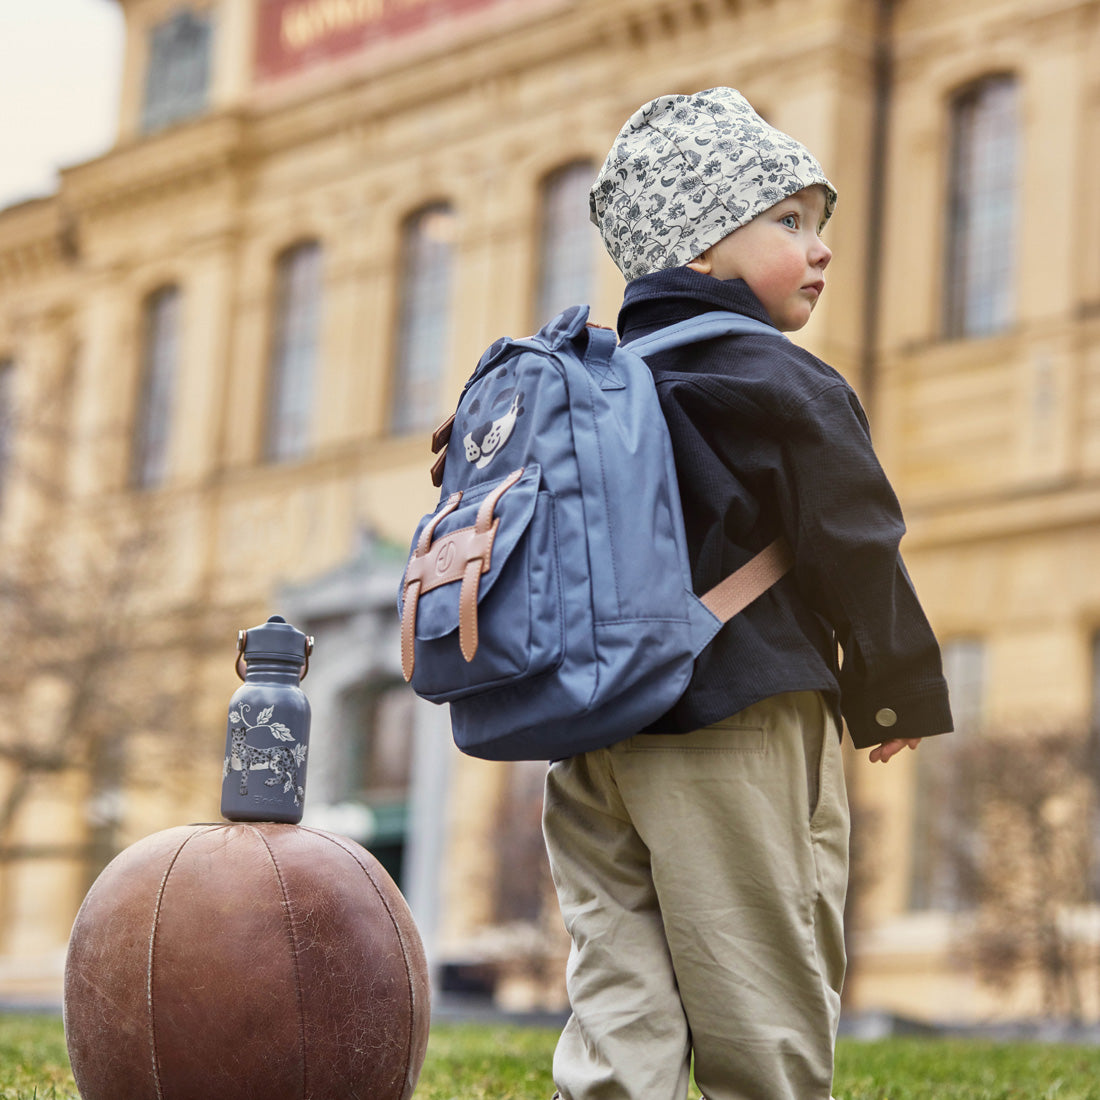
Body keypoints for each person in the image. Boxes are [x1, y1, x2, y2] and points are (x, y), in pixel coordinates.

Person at [541, 88, 954, 1100]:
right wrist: (890, 685)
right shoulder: (778, 378)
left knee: (615, 990)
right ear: (698, 244)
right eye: (787, 219)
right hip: (736, 712)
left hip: (591, 728)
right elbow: (856, 536)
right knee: (760, 988)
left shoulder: (576, 382)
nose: (818, 248)